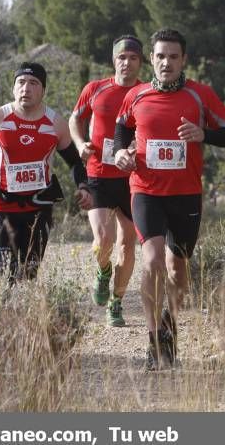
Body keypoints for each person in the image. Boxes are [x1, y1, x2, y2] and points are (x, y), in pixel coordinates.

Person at [113, 28, 225, 371]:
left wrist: (204, 134)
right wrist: (121, 153)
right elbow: (121, 129)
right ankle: (155, 340)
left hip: (185, 195)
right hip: (146, 191)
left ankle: (169, 325)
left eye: (173, 56)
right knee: (152, 261)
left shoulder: (201, 95)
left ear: (183, 60)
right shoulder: (136, 95)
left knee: (177, 272)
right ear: (151, 59)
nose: (166, 62)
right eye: (160, 56)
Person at [0, 62, 92, 285]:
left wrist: (83, 187)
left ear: (43, 90)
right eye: (21, 83)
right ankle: (5, 316)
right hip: (3, 205)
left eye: (33, 83)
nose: (26, 88)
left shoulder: (55, 124)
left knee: (30, 274)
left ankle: (29, 317)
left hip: (39, 207)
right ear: (13, 88)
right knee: (7, 273)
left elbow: (75, 163)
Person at [69, 35, 143, 326]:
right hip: (99, 173)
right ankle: (102, 273)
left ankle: (117, 301)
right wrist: (79, 143)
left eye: (133, 58)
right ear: (114, 60)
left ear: (140, 62)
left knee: (127, 245)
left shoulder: (145, 92)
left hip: (132, 178)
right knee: (104, 240)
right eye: (122, 57)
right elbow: (75, 119)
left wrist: (137, 146)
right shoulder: (95, 89)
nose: (127, 63)